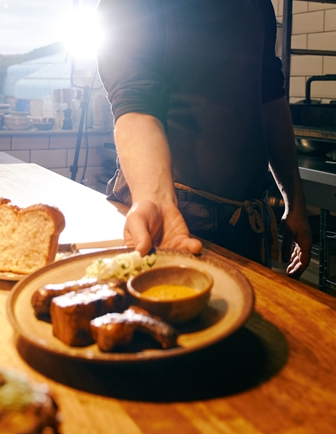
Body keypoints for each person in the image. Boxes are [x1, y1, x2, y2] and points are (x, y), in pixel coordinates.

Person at [96, 0, 312, 278]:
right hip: (173, 214)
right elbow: (136, 105)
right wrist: (157, 201)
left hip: (246, 221)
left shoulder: (259, 3)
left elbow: (270, 97)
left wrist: (295, 201)